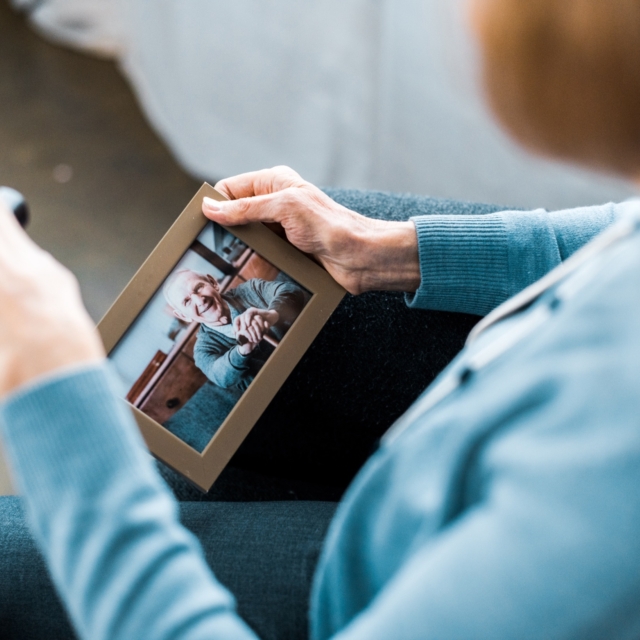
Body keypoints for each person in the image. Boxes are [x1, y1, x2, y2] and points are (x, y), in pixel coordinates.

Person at [1, 1, 640, 640]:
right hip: (454, 442)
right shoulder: (206, 344)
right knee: (316, 266)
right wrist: (390, 250)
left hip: (382, 577)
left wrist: (54, 386)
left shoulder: (597, 483)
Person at [163, 269, 308, 389]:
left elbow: (291, 290)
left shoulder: (249, 290)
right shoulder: (202, 351)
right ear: (183, 315)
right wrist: (242, 348)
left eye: (199, 288)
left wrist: (272, 315)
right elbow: (220, 377)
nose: (200, 300)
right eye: (187, 301)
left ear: (213, 283)